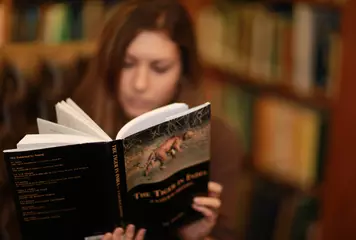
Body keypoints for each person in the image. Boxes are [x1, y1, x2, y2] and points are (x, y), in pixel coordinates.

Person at [72, 0, 243, 239]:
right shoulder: (74, 128)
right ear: (109, 65)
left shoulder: (218, 141)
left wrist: (195, 235)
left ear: (183, 72)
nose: (140, 84)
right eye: (127, 64)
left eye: (159, 68)